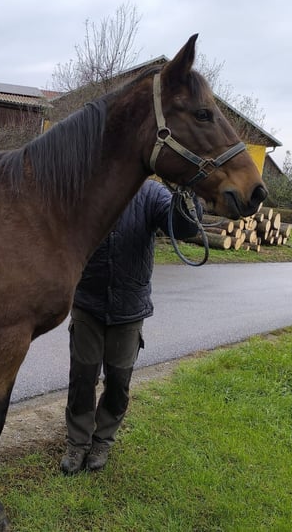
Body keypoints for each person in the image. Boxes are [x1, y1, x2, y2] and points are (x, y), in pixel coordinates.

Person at [60, 179, 202, 474]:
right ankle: (77, 443)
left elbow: (185, 228)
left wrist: (187, 195)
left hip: (129, 307)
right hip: (88, 301)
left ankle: (103, 440)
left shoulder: (152, 193)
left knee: (118, 382)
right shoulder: (88, 185)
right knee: (82, 379)